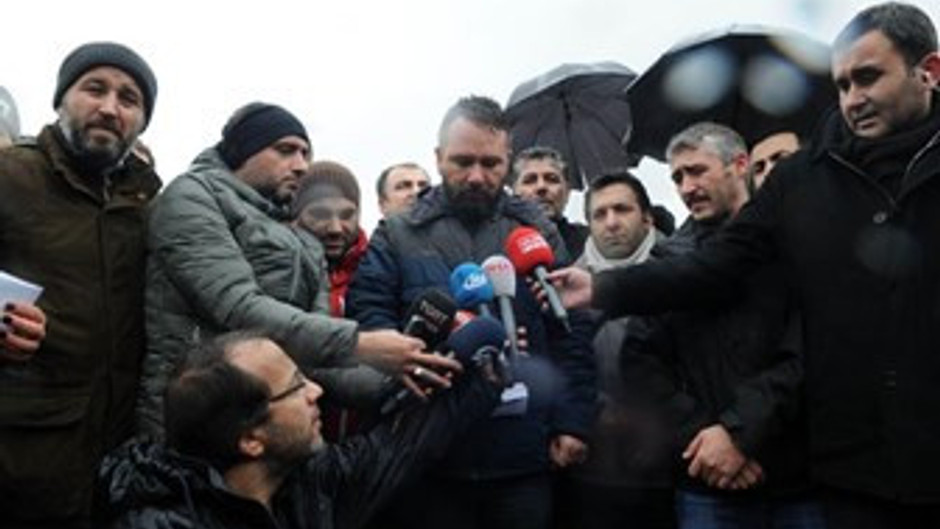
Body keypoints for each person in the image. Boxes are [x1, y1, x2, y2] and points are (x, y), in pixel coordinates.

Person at [547, 3, 940, 526]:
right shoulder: (805, 179)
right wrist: (602, 289)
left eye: (867, 78)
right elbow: (714, 267)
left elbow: (796, 348)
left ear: (929, 71)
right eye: (842, 85)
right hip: (853, 474)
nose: (852, 99)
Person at [347, 95, 596, 529]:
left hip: (522, 459)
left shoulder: (537, 231)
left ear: (508, 161)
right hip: (429, 456)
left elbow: (571, 332)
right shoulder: (397, 233)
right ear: (438, 158)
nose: (477, 176)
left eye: (490, 163)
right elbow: (369, 319)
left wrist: (572, 422)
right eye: (463, 162)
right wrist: (420, 354)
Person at [139, 102, 459, 439]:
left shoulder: (300, 239)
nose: (301, 165)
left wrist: (399, 379)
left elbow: (316, 358)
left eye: (306, 153)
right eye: (286, 150)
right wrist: (359, 344)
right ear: (243, 151)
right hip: (198, 420)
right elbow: (237, 307)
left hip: (271, 426)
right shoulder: (191, 197)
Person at [96, 330, 506, 529]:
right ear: (251, 439)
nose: (316, 391)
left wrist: (484, 374)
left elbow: (399, 447)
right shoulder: (160, 523)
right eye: (296, 387)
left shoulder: (310, 481)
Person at [628, 122, 820, 529]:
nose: (686, 187)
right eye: (677, 177)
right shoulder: (665, 264)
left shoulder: (794, 249)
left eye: (697, 171)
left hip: (795, 476)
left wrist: (739, 433)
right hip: (706, 480)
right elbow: (641, 363)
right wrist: (706, 438)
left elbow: (808, 350)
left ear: (740, 165)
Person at [0, 41, 161, 528]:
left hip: (114, 465)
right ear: (61, 100)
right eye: (95, 89)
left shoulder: (148, 206)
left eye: (129, 99)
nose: (110, 108)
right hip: (18, 457)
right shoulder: (10, 176)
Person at [562, 171, 675, 529]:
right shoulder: (564, 288)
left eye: (622, 209)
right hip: (594, 469)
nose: (611, 223)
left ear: (647, 217)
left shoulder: (683, 274)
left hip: (672, 466)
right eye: (600, 214)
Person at [292, 160, 384, 441]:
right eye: (320, 214)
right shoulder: (280, 271)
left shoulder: (381, 267)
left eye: (347, 215)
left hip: (371, 443)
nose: (335, 228)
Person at [511, 145, 590, 256]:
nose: (541, 187)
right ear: (514, 191)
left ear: (567, 191)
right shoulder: (497, 239)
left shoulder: (590, 243)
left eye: (552, 179)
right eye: (530, 180)